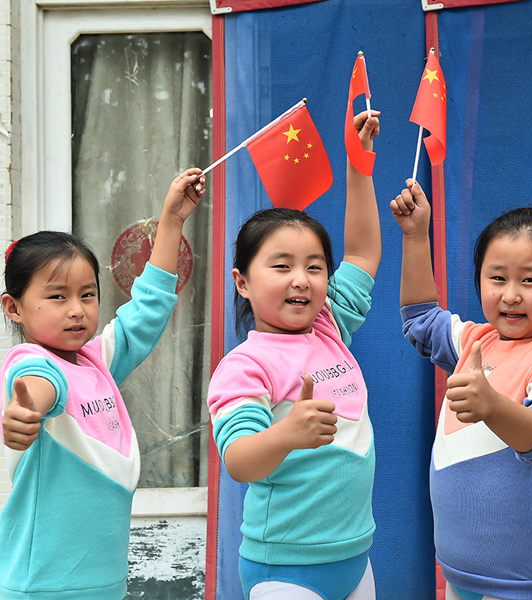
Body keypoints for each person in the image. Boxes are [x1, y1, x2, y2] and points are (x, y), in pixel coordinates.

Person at [0, 168, 206, 599]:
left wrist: (171, 220)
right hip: (43, 587)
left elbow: (147, 309)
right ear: (14, 308)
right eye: (57, 296)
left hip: (103, 584)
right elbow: (38, 387)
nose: (76, 309)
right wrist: (24, 413)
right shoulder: (33, 362)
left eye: (87, 294)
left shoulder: (97, 361)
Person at [206, 111, 381, 600]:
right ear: (242, 281)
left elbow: (363, 254)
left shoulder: (328, 324)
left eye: (315, 267)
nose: (301, 280)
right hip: (284, 566)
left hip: (355, 558)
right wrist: (287, 433)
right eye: (281, 266)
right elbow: (239, 461)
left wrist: (359, 163)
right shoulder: (244, 367)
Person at [392, 181, 532, 600]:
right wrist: (415, 236)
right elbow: (421, 321)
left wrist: (492, 407)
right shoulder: (475, 340)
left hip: (525, 584)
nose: (511, 295)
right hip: (459, 574)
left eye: (530, 280)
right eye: (497, 278)